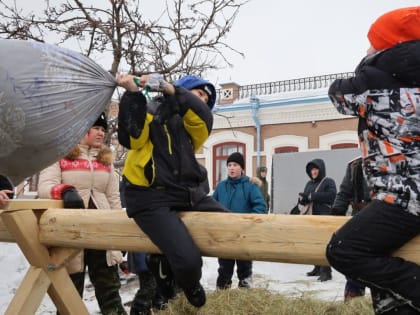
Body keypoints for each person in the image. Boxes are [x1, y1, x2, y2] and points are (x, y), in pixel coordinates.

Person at [326, 6, 420, 314]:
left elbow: (338, 94)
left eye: (373, 42)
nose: (367, 48)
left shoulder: (374, 85)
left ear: (390, 46)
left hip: (404, 197)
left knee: (344, 250)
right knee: (383, 264)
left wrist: (369, 66)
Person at [116, 72, 227, 313]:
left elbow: (202, 117)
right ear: (184, 90)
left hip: (185, 193)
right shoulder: (151, 110)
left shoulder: (193, 123)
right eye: (199, 94)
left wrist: (171, 89)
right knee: (188, 262)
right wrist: (132, 95)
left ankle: (164, 264)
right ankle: (188, 282)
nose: (203, 101)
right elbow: (131, 137)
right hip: (149, 196)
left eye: (206, 99)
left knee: (231, 223)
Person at [38, 112, 127, 315]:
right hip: (71, 233)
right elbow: (45, 186)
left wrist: (121, 234)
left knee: (110, 293)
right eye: (96, 128)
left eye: (103, 130)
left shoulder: (105, 160)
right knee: (70, 295)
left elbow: (114, 199)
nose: (100, 133)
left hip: (102, 233)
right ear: (82, 129)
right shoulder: (60, 155)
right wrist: (66, 190)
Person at [212, 152, 266, 289]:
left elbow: (260, 206)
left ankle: (245, 292)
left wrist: (248, 221)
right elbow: (212, 206)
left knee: (244, 268)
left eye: (235, 165)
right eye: (229, 165)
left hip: (244, 235)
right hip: (225, 235)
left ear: (241, 168)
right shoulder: (221, 187)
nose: (231, 168)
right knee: (224, 268)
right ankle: (222, 293)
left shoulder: (250, 185)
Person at [331, 157, 370, 302]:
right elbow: (344, 193)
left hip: (387, 221)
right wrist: (336, 214)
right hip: (359, 220)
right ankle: (354, 305)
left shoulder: (393, 160)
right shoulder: (355, 165)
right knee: (354, 263)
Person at [299, 158, 336, 282]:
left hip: (323, 217)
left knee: (324, 244)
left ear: (321, 170)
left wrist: (312, 196)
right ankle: (317, 267)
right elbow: (306, 199)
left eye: (315, 169)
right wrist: (303, 199)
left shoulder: (328, 181)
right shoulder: (309, 184)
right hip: (311, 217)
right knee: (314, 243)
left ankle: (326, 271)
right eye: (311, 170)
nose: (313, 172)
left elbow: (331, 196)